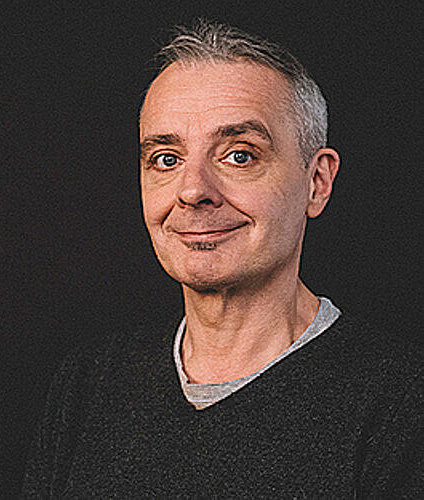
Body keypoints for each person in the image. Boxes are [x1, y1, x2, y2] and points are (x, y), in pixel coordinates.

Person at [22, 20, 422, 497]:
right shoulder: (90, 385)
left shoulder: (400, 403)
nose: (193, 190)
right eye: (166, 159)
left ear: (317, 183)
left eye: (239, 155)